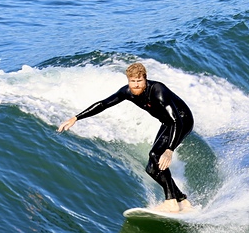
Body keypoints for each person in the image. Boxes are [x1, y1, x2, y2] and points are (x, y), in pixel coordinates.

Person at [58, 63, 194, 213]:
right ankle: (182, 200)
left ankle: (171, 202)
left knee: (155, 155)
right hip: (167, 123)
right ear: (128, 81)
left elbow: (176, 121)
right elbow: (103, 104)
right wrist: (76, 118)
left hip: (182, 121)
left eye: (139, 81)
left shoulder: (158, 91)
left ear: (145, 80)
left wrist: (169, 150)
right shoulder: (127, 92)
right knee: (151, 168)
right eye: (132, 81)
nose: (135, 85)